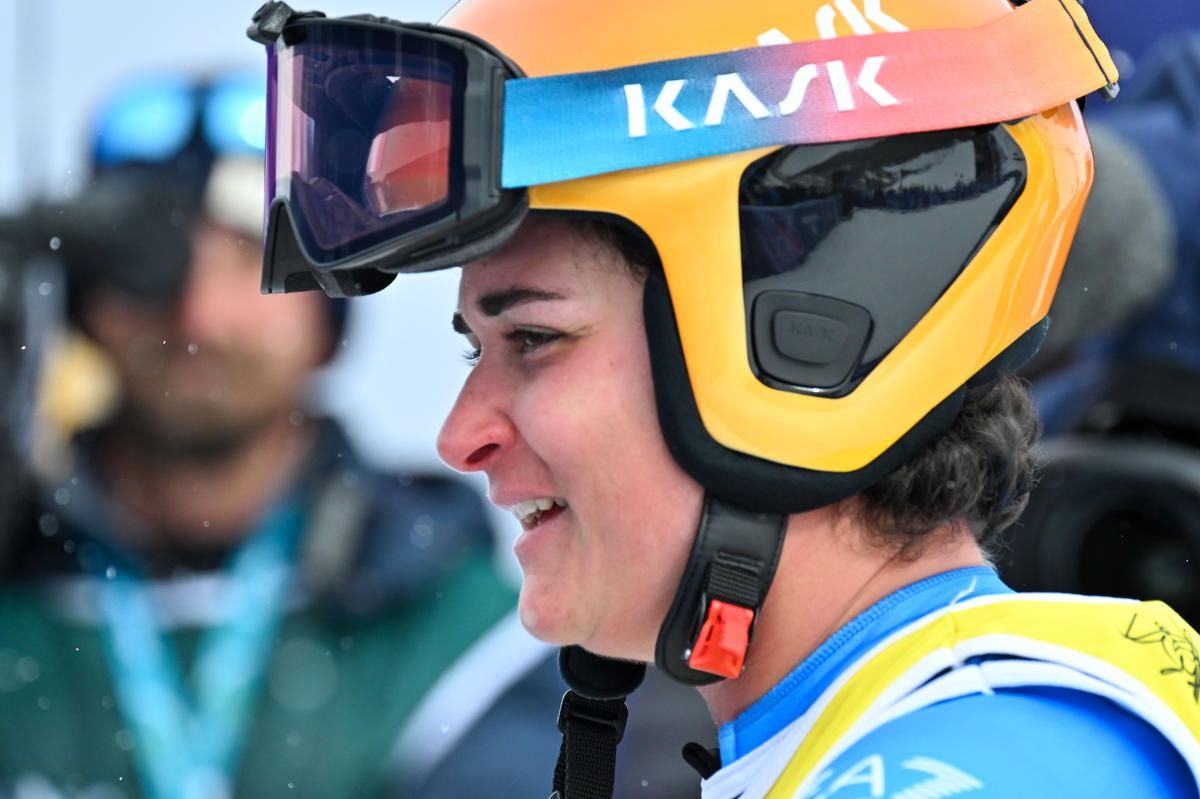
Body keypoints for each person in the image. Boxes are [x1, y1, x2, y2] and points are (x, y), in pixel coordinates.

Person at [246, 1, 1200, 798]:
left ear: (808, 339)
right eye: (473, 350)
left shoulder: (988, 767)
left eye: (534, 339)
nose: (462, 436)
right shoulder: (935, 740)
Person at [0, 69, 583, 799]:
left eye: (253, 260)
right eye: (156, 265)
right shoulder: (16, 599)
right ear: (86, 307)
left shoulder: (456, 629)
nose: (201, 317)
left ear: (328, 315)